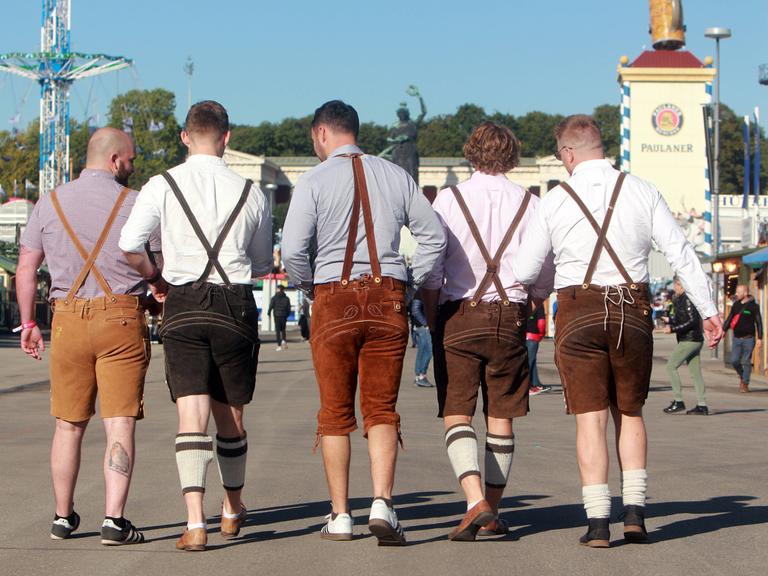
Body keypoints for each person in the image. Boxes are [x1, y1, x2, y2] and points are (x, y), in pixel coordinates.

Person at [513, 114, 723, 547]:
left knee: (589, 419)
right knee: (629, 412)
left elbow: (526, 269)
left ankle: (597, 523)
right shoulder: (642, 190)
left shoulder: (554, 199)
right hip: (632, 308)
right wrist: (708, 310)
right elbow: (680, 252)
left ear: (568, 153)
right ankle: (634, 515)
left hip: (579, 309)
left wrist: (532, 293)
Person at [282, 100, 445, 545]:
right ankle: (382, 504)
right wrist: (409, 282)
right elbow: (434, 237)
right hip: (386, 294)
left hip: (333, 296)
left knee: (335, 412)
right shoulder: (396, 175)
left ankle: (340, 514)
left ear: (321, 133)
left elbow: (293, 250)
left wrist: (311, 287)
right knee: (381, 407)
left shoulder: (313, 180)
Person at [119, 100, 272, 551]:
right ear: (227, 137)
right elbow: (262, 263)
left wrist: (156, 277)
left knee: (191, 415)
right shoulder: (251, 192)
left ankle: (195, 522)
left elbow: (129, 245)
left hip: (183, 301)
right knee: (231, 415)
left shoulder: (162, 184)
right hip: (234, 302)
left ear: (185, 137)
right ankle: (232, 509)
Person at [16, 127, 157, 545]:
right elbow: (157, 266)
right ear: (114, 159)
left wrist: (28, 324)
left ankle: (63, 517)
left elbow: (26, 268)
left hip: (67, 320)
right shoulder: (136, 203)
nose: (132, 166)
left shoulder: (49, 202)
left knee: (68, 425)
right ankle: (114, 520)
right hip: (121, 318)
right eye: (130, 159)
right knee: (120, 424)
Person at [422, 122, 554, 541]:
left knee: (457, 411)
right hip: (510, 313)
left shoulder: (449, 199)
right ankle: (492, 510)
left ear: (471, 152)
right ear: (513, 155)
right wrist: (533, 299)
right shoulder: (531, 203)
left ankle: (474, 499)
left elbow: (432, 266)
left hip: (459, 311)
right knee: (502, 415)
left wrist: (431, 312)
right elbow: (544, 269)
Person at [663, 278, 708, 415]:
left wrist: (673, 329)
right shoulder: (683, 299)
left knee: (670, 366)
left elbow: (692, 321)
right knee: (695, 373)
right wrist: (670, 320)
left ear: (681, 285)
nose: (675, 288)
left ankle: (678, 401)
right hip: (695, 339)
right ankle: (702, 405)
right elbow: (684, 318)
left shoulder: (687, 299)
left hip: (689, 340)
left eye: (676, 285)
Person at [723, 284, 763, 392]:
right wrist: (723, 330)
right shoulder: (736, 305)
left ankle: (745, 383)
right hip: (737, 338)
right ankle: (742, 376)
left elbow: (759, 322)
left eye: (738, 292)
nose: (736, 294)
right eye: (736, 292)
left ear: (745, 293)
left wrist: (760, 338)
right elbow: (729, 319)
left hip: (749, 339)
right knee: (734, 361)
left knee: (746, 360)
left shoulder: (753, 306)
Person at [526, 304, 552, 396]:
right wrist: (541, 334)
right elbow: (541, 322)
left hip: (522, 336)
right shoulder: (539, 305)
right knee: (530, 361)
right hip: (533, 335)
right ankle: (529, 385)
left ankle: (536, 383)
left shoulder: (523, 302)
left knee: (530, 360)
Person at [410, 291, 433, 387]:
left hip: (421, 326)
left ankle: (418, 376)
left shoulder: (419, 291)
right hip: (424, 327)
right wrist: (426, 324)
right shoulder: (422, 292)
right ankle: (421, 376)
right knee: (428, 351)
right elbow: (415, 310)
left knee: (422, 351)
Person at [268, 284, 292, 350]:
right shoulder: (287, 298)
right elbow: (288, 308)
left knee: (278, 331)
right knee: (283, 329)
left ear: (278, 289)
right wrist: (287, 315)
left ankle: (279, 346)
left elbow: (271, 306)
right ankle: (283, 340)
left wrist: (269, 313)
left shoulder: (274, 298)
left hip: (277, 316)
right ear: (283, 290)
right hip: (284, 316)